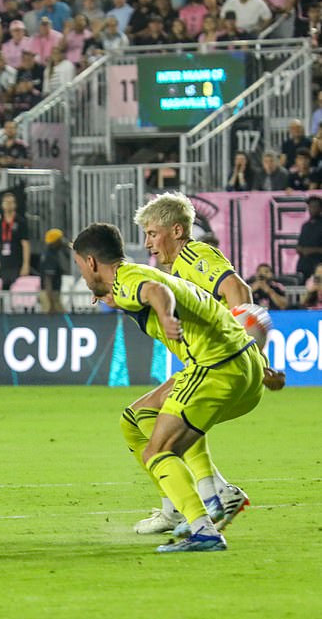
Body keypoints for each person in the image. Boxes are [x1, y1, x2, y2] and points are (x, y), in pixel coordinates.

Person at [72, 222, 268, 552]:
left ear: (91, 262)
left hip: (215, 367)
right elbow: (149, 293)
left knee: (157, 450)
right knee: (139, 418)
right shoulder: (128, 280)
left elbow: (155, 293)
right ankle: (199, 499)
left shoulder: (129, 279)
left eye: (79, 266)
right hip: (243, 364)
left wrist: (165, 316)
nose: (81, 274)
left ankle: (204, 523)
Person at [128, 192, 284, 536]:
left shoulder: (193, 255)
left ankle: (191, 503)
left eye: (153, 234)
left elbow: (238, 291)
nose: (148, 243)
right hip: (208, 362)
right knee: (156, 416)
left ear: (178, 230)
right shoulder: (177, 268)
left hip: (219, 364)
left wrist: (252, 355)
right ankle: (210, 494)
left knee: (143, 416)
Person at [0, 192, 30, 290]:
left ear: (15, 205)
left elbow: (25, 245)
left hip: (17, 264)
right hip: (3, 265)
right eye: (6, 202)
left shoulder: (20, 222)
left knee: (17, 291)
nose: (9, 204)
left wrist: (26, 265)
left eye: (11, 202)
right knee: (3, 292)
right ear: (2, 205)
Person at [39, 228, 67, 314]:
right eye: (60, 239)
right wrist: (51, 304)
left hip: (52, 294)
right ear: (55, 242)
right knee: (57, 321)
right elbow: (48, 280)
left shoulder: (51, 254)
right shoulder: (50, 257)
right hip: (51, 295)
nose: (62, 242)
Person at [296, 195, 322, 281]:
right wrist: (300, 249)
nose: (312, 209)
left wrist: (311, 250)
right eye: (310, 207)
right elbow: (299, 245)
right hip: (304, 266)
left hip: (318, 265)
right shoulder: (305, 226)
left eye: (315, 206)